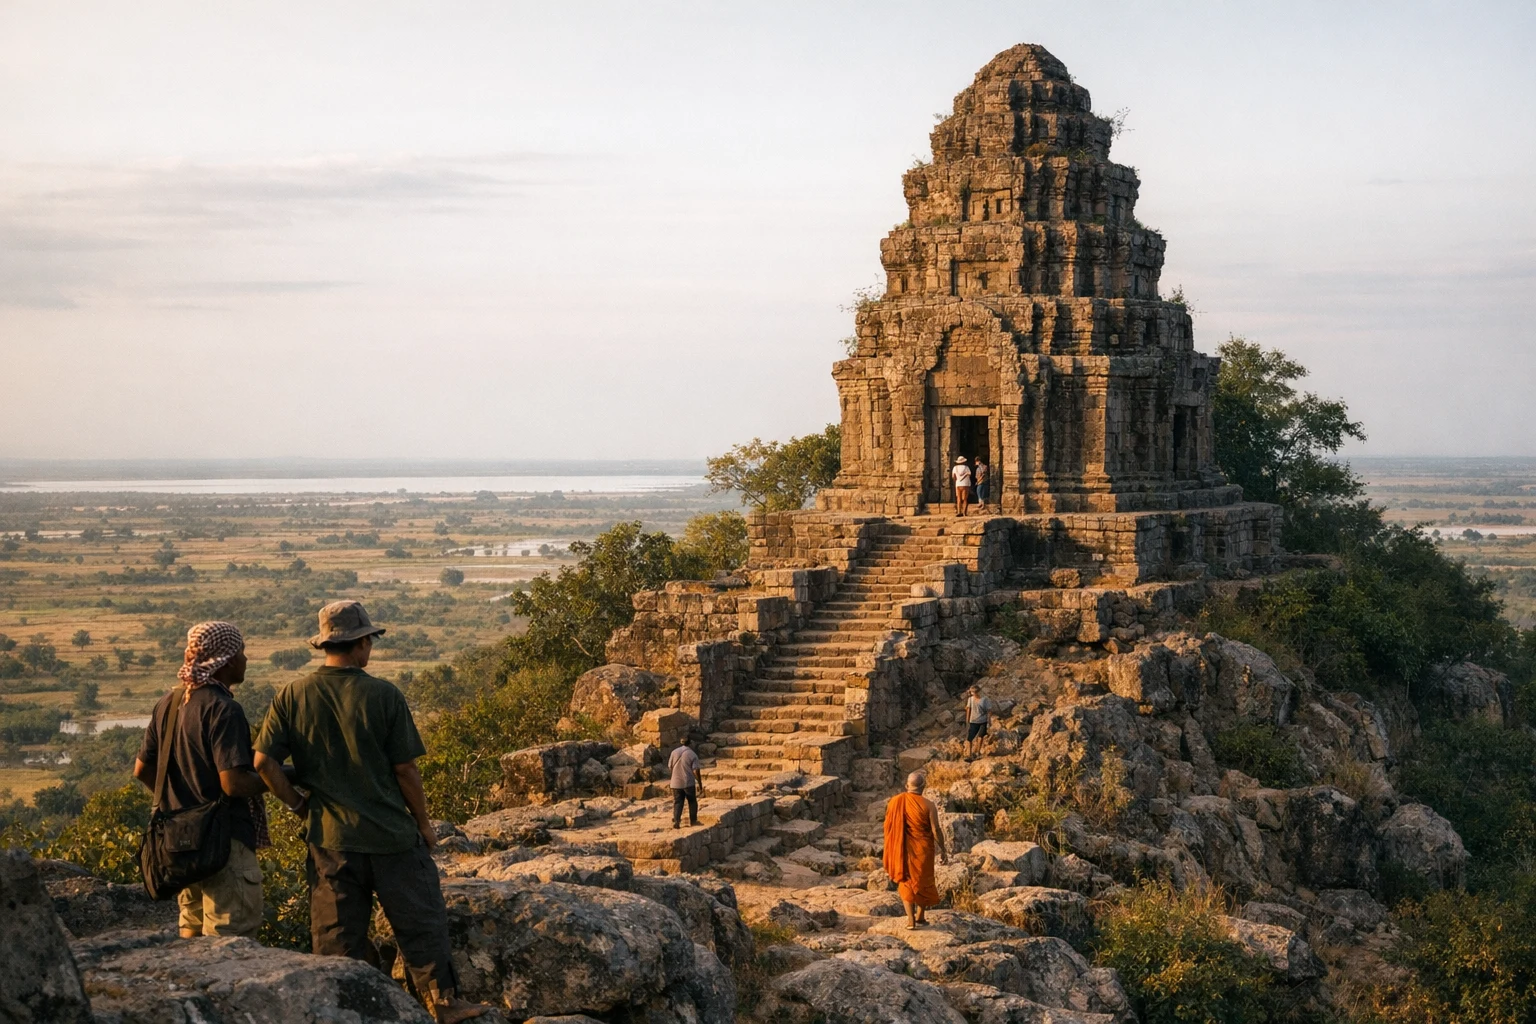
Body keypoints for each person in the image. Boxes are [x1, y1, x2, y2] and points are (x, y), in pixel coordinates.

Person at [253, 601, 489, 1024]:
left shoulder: (293, 695)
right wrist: (423, 825)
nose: (370, 650)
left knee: (336, 941)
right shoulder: (383, 695)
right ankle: (444, 1004)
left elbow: (263, 763)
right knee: (420, 923)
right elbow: (405, 770)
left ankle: (340, 1011)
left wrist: (298, 805)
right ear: (360, 644)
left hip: (330, 841)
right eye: (369, 642)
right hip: (392, 838)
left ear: (326, 644)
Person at [133, 621, 268, 938]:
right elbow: (233, 784)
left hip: (182, 844)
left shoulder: (168, 704)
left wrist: (185, 807)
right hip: (225, 842)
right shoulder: (223, 709)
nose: (246, 660)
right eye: (242, 653)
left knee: (191, 933)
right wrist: (276, 778)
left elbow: (142, 769)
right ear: (226, 660)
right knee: (230, 938)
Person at [882, 771, 948, 929]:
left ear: (907, 785)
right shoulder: (929, 805)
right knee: (923, 880)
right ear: (924, 787)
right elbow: (936, 830)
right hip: (923, 849)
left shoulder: (895, 801)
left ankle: (911, 919)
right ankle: (920, 916)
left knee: (906, 881)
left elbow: (889, 827)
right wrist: (943, 848)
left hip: (903, 848)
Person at [669, 736, 704, 829]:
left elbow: (670, 767)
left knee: (678, 802)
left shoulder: (674, 752)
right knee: (692, 801)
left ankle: (676, 821)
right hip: (688, 782)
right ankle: (693, 821)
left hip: (675, 782)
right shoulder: (692, 754)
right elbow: (696, 771)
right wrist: (700, 784)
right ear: (690, 743)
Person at [964, 684, 993, 759]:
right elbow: (968, 709)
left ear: (977, 692)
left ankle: (978, 752)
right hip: (973, 721)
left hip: (983, 721)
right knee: (969, 738)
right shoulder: (970, 699)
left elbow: (989, 711)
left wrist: (989, 721)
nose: (972, 694)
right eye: (971, 692)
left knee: (980, 737)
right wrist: (967, 720)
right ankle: (969, 754)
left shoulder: (985, 699)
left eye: (973, 692)